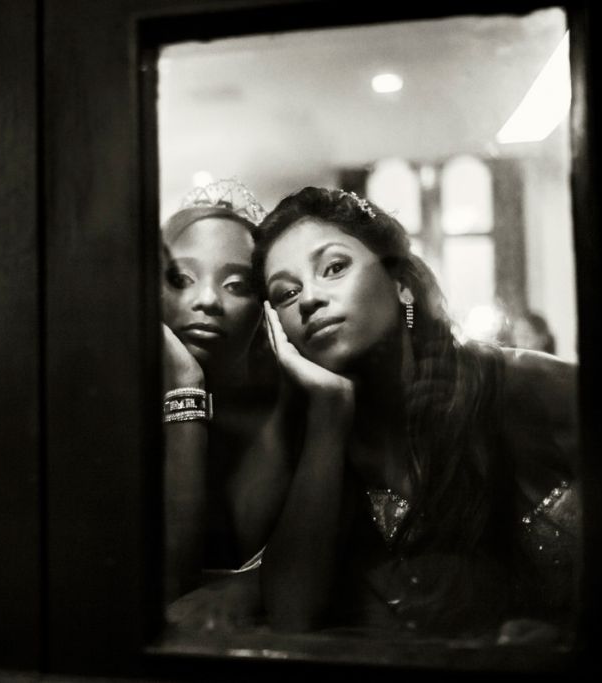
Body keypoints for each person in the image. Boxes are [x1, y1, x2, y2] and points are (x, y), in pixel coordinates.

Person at [254, 187, 578, 641]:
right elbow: (291, 618)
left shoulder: (520, 384)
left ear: (400, 282)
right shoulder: (316, 442)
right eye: (286, 293)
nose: (309, 299)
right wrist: (329, 413)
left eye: (334, 267)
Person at [161, 180, 290, 606]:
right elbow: (169, 579)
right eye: (181, 279)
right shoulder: (103, 411)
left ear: (265, 302)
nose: (207, 300)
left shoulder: (297, 414)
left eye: (236, 284)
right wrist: (185, 384)